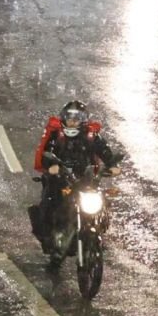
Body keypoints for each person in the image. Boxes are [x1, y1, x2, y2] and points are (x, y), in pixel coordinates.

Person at [32, 101, 121, 260]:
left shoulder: (92, 136)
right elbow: (47, 151)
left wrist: (112, 165)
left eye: (77, 117)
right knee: (50, 202)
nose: (73, 121)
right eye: (69, 117)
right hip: (60, 179)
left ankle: (98, 230)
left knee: (102, 202)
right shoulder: (56, 135)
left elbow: (104, 150)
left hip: (85, 179)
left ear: (83, 120)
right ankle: (50, 238)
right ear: (63, 118)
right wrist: (52, 165)